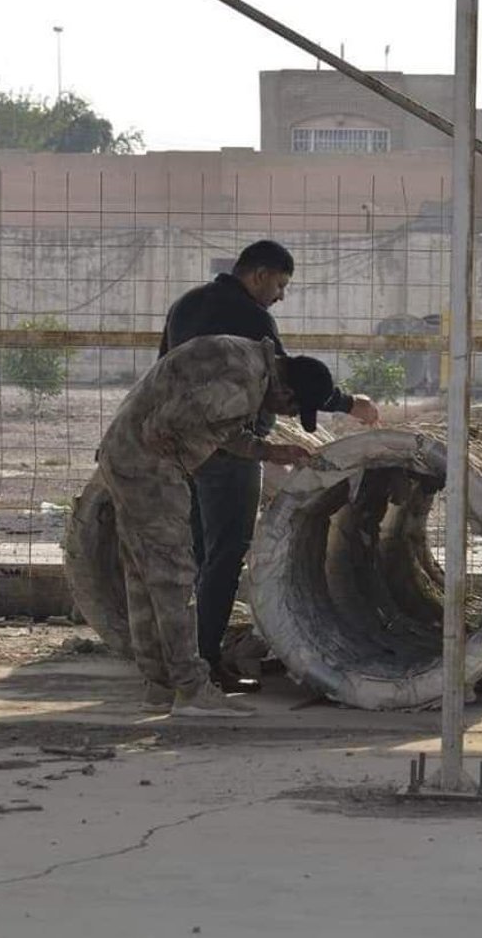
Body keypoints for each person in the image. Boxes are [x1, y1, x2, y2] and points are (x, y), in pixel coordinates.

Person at [159, 240, 379, 692]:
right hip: (232, 450)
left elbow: (163, 372)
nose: (280, 295)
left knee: (198, 554)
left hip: (185, 448)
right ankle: (204, 665)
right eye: (279, 285)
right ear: (258, 275)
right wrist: (348, 403)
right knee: (224, 555)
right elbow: (285, 384)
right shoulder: (252, 318)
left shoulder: (184, 306)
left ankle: (177, 660)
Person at [98, 335, 337, 717]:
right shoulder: (243, 382)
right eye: (293, 410)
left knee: (144, 575)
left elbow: (217, 425)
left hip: (123, 456)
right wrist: (169, 451)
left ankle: (159, 684)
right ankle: (191, 690)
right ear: (287, 391)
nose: (286, 415)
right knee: (175, 576)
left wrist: (270, 450)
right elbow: (171, 421)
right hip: (150, 470)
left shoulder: (243, 360)